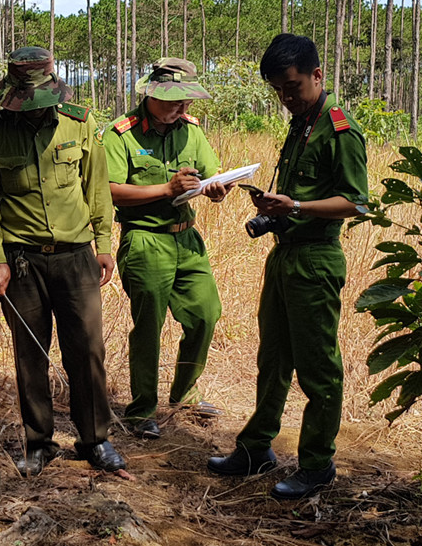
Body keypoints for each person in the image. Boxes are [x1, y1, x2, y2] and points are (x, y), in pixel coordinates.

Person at [206, 34, 369, 500]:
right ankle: (256, 447)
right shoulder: (302, 123)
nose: (286, 98)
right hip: (284, 257)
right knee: (272, 360)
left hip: (316, 260)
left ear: (318, 75)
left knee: (317, 369)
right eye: (279, 90)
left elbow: (357, 203)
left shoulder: (341, 130)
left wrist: (295, 204)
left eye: (293, 86)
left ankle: (318, 464)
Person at [0, 46, 125, 477]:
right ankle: (39, 444)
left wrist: (104, 243)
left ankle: (95, 439)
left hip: (77, 258)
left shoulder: (80, 122)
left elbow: (97, 187)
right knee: (29, 356)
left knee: (87, 351)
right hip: (21, 264)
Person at [104, 58, 232, 439]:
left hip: (186, 239)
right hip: (145, 239)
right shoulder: (120, 134)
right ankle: (142, 409)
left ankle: (185, 393)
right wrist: (164, 189)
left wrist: (218, 189)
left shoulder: (191, 131)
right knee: (149, 327)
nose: (182, 109)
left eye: (187, 101)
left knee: (206, 313)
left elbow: (212, 174)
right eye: (174, 101)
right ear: (150, 94)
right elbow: (109, 190)